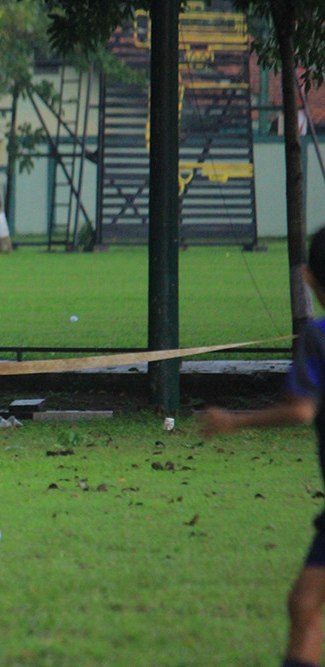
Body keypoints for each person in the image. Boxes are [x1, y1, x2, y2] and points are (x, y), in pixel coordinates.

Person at [201, 226, 325, 667]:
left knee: (305, 604)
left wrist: (233, 421)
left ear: (308, 279)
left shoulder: (318, 337)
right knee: (303, 604)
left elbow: (301, 412)